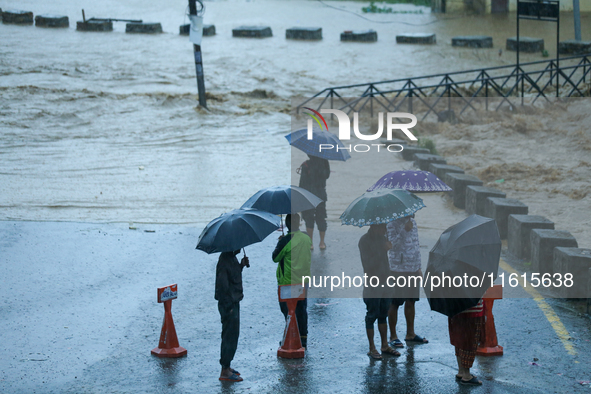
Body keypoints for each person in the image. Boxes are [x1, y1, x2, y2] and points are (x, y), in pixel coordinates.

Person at [358, 223, 400, 359]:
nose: (384, 231)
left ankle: (384, 345)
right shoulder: (364, 241)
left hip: (386, 280)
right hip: (373, 282)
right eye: (382, 228)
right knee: (372, 315)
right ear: (374, 227)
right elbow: (368, 264)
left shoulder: (382, 238)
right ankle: (372, 347)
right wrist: (382, 249)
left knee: (383, 314)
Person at [387, 214, 429, 348]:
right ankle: (393, 336)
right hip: (397, 268)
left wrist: (419, 267)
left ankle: (410, 333)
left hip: (412, 267)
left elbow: (416, 246)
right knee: (395, 303)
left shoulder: (413, 222)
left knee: (411, 301)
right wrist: (404, 230)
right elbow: (391, 245)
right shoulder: (391, 223)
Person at [272, 213, 312, 348]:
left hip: (288, 281)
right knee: (301, 309)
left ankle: (291, 336)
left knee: (288, 310)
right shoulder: (306, 237)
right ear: (299, 223)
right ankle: (303, 339)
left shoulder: (285, 241)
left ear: (287, 224)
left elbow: (275, 257)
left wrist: (281, 241)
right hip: (303, 280)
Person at [215, 249, 249, 382]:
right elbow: (223, 285)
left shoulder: (231, 258)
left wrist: (241, 266)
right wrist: (228, 306)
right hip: (229, 304)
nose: (240, 248)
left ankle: (227, 365)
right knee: (229, 336)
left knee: (233, 335)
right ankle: (224, 370)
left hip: (234, 301)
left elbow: (232, 277)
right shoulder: (224, 260)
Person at [298, 155, 330, 250]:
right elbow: (327, 176)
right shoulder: (324, 163)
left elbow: (302, 183)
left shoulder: (306, 165)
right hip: (321, 194)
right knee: (321, 217)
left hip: (308, 194)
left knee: (309, 218)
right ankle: (322, 242)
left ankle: (310, 243)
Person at [449, 300, 484, 386]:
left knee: (459, 340)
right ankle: (466, 375)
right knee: (469, 342)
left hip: (454, 309)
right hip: (471, 312)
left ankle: (461, 371)